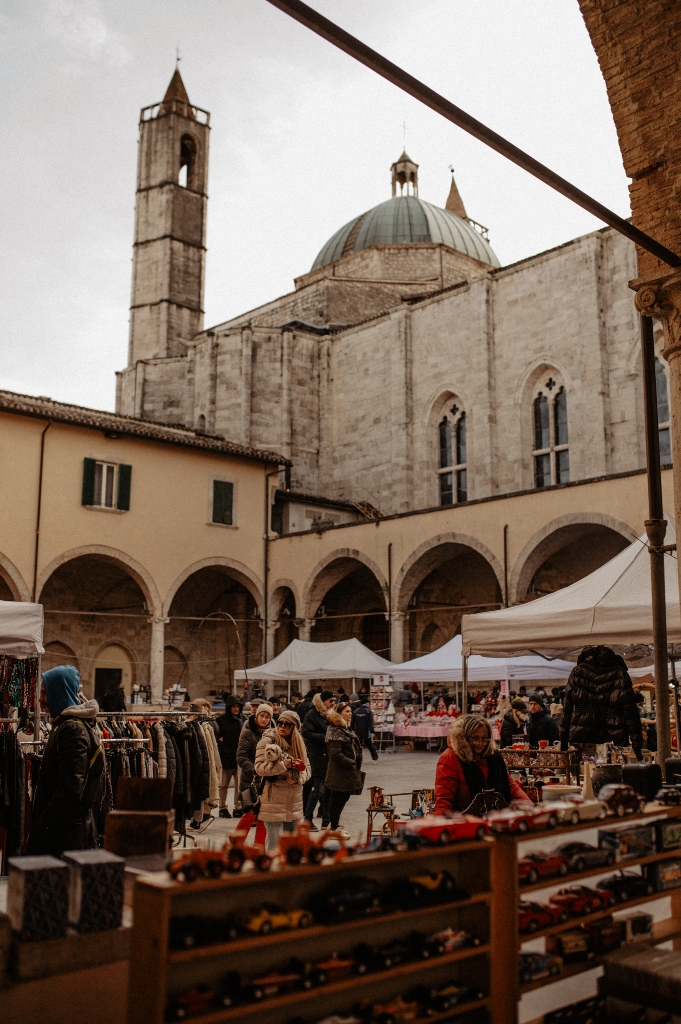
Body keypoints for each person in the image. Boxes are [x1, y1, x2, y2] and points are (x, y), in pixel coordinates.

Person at [27, 666, 103, 856]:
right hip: (61, 831)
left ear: (59, 692)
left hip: (63, 835)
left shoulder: (72, 730)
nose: (40, 699)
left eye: (45, 693)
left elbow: (70, 788)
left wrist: (44, 822)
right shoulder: (65, 725)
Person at [434, 715, 531, 814]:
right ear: (465, 737)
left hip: (496, 819)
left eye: (484, 738)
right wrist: (443, 826)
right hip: (465, 821)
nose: (480, 743)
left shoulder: (493, 756)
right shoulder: (450, 758)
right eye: (475, 738)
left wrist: (530, 808)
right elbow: (444, 799)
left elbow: (509, 785)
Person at [560, 646, 643, 759]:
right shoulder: (620, 673)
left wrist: (563, 743)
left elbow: (567, 710)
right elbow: (631, 713)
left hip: (583, 734)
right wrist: (637, 747)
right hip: (614, 734)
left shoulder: (577, 672)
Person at [254, 710, 310, 853]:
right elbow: (259, 768)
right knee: (274, 844)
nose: (282, 726)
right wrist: (283, 765)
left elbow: (307, 769)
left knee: (292, 844)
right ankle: (273, 873)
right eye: (280, 723)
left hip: (294, 799)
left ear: (295, 728)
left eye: (287, 724)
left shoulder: (299, 745)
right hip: (274, 799)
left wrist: (298, 779)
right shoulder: (267, 741)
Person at [325, 700, 364, 839]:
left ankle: (334, 824)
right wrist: (351, 762)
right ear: (339, 714)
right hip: (339, 772)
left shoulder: (344, 728)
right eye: (347, 711)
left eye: (350, 711)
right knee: (337, 799)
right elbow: (335, 753)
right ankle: (334, 828)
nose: (350, 713)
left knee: (343, 797)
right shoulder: (335, 729)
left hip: (346, 772)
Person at [302, 690, 335, 830]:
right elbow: (306, 733)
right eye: (330, 701)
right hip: (317, 757)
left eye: (334, 701)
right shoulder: (312, 714)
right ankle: (307, 819)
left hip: (328, 757)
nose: (333, 703)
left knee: (328, 790)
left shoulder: (329, 715)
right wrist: (325, 737)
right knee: (318, 790)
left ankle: (326, 821)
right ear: (323, 702)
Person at [236, 702, 274, 797]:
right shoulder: (248, 733)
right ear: (257, 716)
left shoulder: (274, 734)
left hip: (269, 779)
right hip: (250, 779)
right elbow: (241, 756)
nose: (264, 719)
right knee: (251, 809)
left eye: (267, 717)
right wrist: (255, 770)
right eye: (261, 716)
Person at [215, 693, 244, 818]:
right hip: (226, 758)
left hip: (238, 758)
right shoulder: (221, 720)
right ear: (229, 707)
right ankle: (222, 807)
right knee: (224, 785)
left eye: (238, 706)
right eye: (233, 706)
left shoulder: (242, 720)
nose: (236, 709)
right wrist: (225, 750)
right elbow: (217, 739)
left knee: (239, 784)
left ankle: (238, 807)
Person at [351, 695, 378, 761]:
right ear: (367, 703)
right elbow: (370, 722)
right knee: (369, 745)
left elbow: (352, 722)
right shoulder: (368, 711)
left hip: (357, 731)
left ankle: (358, 758)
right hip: (366, 731)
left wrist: (351, 730)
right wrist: (372, 731)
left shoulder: (356, 711)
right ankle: (374, 757)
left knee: (358, 745)